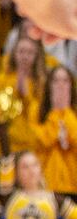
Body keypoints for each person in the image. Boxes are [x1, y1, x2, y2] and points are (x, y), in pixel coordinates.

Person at [0, 35, 47, 162]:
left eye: (30, 52)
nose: (25, 56)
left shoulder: (41, 82)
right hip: (6, 144)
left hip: (32, 144)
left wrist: (27, 95)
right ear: (14, 54)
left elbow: (41, 115)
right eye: (21, 51)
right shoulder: (2, 79)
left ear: (36, 56)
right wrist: (14, 90)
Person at [35, 66, 77, 198]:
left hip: (73, 185)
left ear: (71, 85)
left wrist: (66, 111)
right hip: (45, 184)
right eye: (56, 80)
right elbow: (42, 142)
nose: (61, 85)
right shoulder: (37, 112)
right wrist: (55, 112)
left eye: (65, 81)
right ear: (49, 85)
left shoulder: (73, 115)